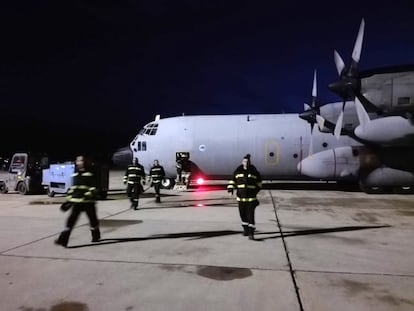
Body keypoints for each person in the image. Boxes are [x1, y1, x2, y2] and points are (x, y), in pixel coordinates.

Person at [55, 154, 100, 247]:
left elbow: (95, 187)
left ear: (86, 162)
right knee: (70, 221)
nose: (81, 162)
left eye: (82, 160)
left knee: (93, 221)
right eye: (79, 161)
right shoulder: (75, 174)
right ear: (76, 162)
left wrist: (88, 195)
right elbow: (73, 189)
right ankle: (63, 240)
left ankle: (96, 235)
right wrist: (67, 201)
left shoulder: (91, 173)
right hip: (77, 203)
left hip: (88, 202)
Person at [227, 154, 262, 240]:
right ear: (242, 162)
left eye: (247, 161)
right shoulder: (238, 171)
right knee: (242, 215)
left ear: (250, 162)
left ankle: (251, 233)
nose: (246, 163)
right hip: (241, 198)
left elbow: (259, 184)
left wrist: (254, 191)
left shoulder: (254, 172)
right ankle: (245, 230)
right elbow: (233, 181)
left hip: (251, 199)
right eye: (245, 161)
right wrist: (230, 189)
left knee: (250, 215)